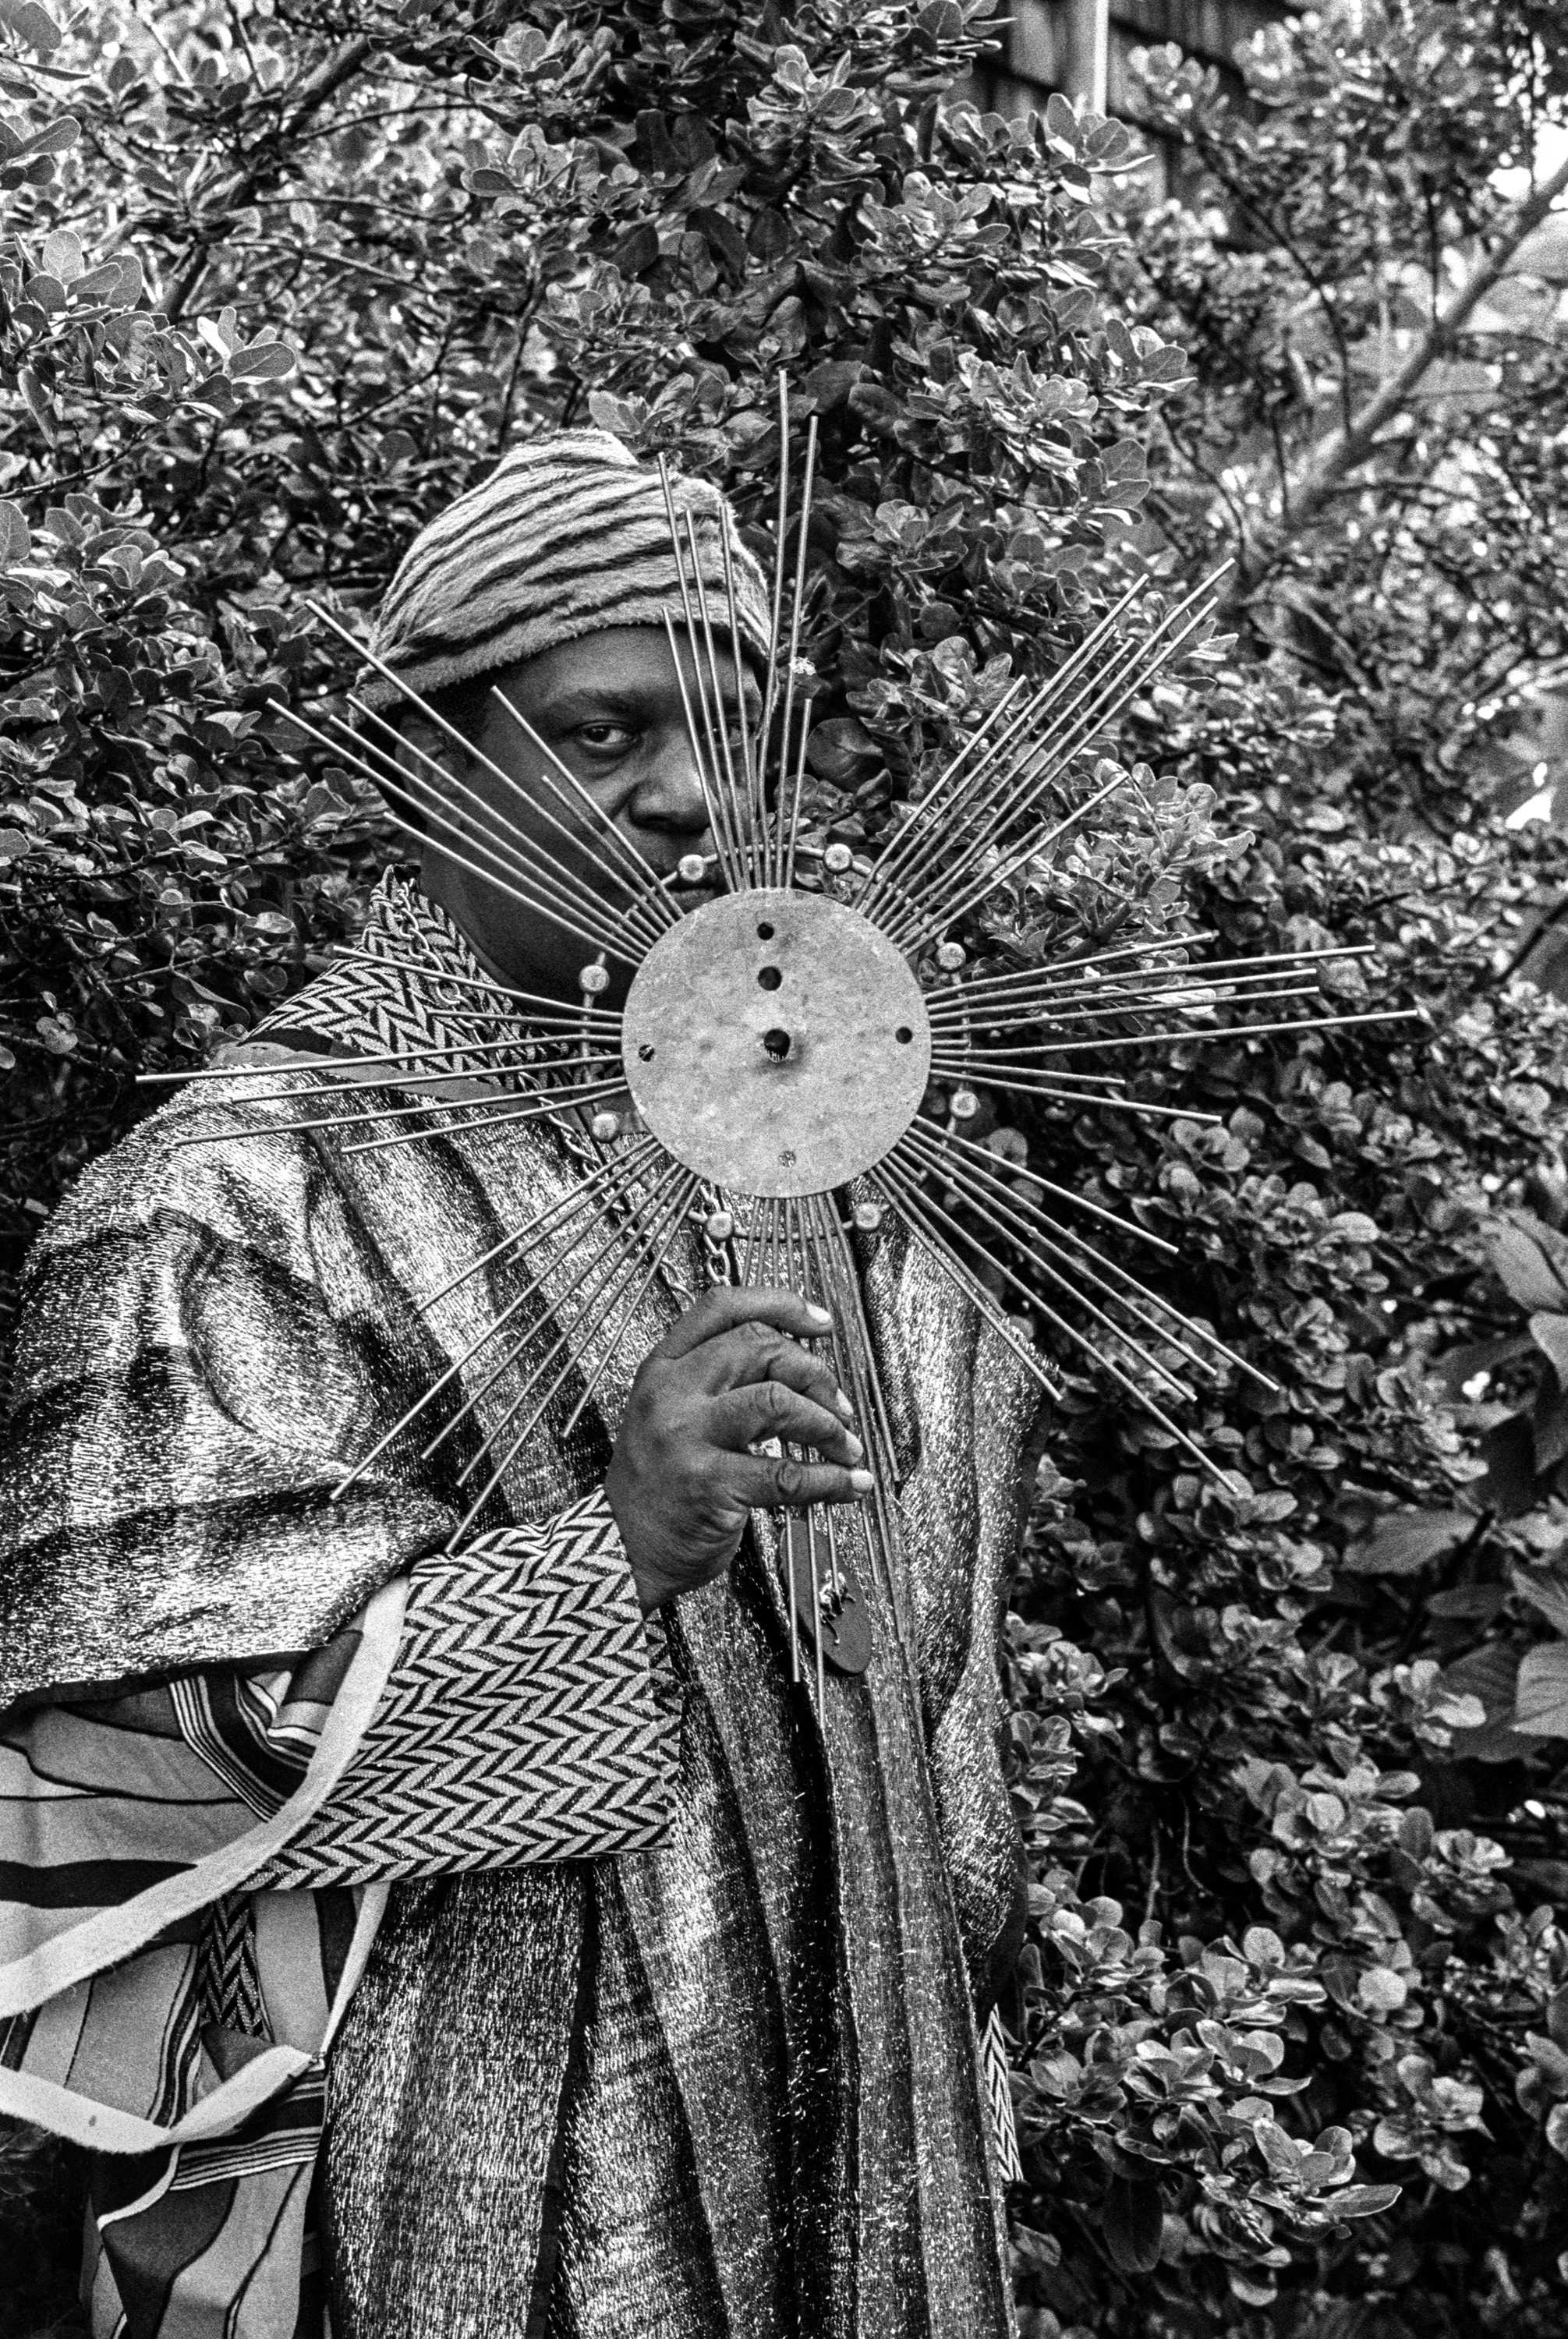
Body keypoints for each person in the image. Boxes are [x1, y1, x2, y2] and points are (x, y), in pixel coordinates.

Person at [0, 431, 1040, 2339]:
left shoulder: (797, 1172)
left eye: (726, 747)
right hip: (464, 2208)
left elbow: (931, 1689)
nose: (681, 805)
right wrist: (612, 1548)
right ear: (424, 760)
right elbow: (97, 1769)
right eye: (602, 732)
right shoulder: (234, 1199)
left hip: (860, 2169)